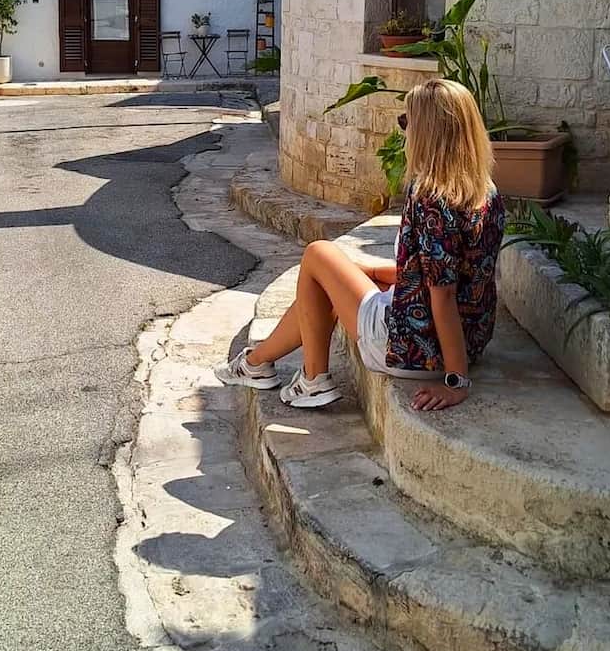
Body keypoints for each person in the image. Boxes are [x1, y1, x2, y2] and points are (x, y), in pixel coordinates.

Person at [216, 78, 505, 411]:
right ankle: (254, 363)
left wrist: (456, 380)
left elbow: (445, 295)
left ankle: (311, 378)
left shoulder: (431, 198)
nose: (405, 131)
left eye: (406, 121)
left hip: (412, 347)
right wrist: (372, 272)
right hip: (470, 340)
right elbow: (451, 275)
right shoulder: (486, 192)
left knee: (318, 253)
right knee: (331, 279)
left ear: (427, 132)